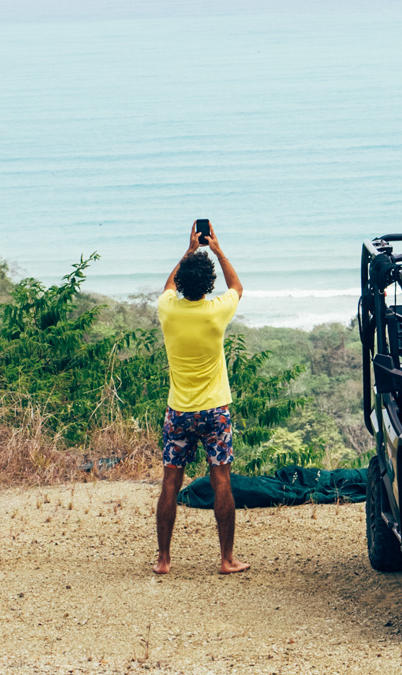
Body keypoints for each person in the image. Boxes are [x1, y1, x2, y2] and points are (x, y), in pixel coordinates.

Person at [153, 221, 249, 575]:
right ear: (209, 285)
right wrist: (218, 250)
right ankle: (226, 559)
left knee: (170, 481)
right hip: (215, 411)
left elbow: (167, 287)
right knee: (221, 480)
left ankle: (163, 560)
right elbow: (237, 286)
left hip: (179, 410)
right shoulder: (216, 312)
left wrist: (190, 250)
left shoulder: (168, 310)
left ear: (181, 283)